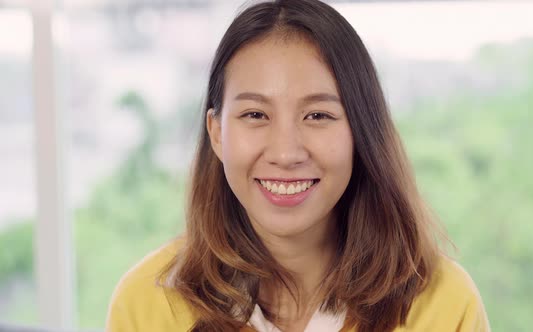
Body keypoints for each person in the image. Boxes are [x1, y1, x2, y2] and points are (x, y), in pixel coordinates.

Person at [106, 0, 490, 331]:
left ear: (361, 130)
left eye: (318, 115)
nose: (286, 153)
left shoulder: (444, 304)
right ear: (217, 133)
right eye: (256, 114)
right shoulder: (147, 303)